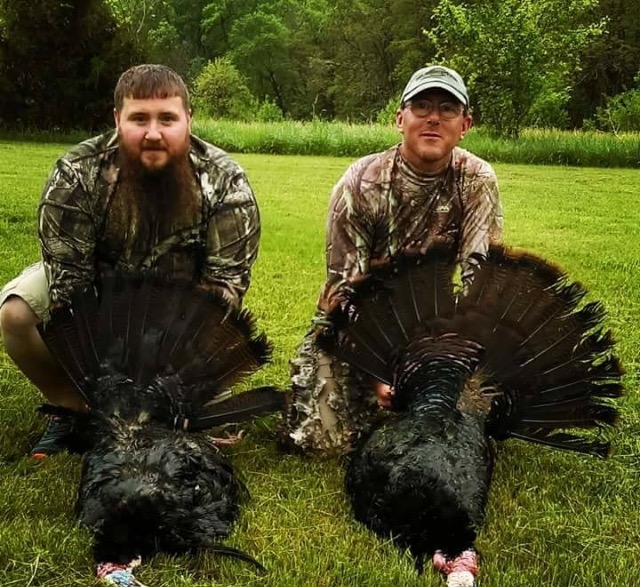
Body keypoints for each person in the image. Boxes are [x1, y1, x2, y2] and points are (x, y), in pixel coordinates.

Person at [0, 64, 261, 458]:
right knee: (15, 314)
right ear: (117, 119)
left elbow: (223, 292)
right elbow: (69, 286)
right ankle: (70, 409)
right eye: (139, 118)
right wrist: (110, 379)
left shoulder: (226, 182)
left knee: (174, 406)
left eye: (167, 118)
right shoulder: (77, 174)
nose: (153, 132)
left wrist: (164, 375)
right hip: (96, 295)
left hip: (183, 306)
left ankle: (171, 409)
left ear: (188, 120)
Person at [281, 65, 504, 454]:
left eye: (447, 109)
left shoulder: (477, 179)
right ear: (400, 119)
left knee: (478, 422)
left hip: (434, 328)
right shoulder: (360, 183)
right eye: (421, 106)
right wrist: (377, 372)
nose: (433, 117)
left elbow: (478, 278)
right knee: (322, 443)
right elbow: (345, 293)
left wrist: (448, 359)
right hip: (356, 329)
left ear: (465, 124)